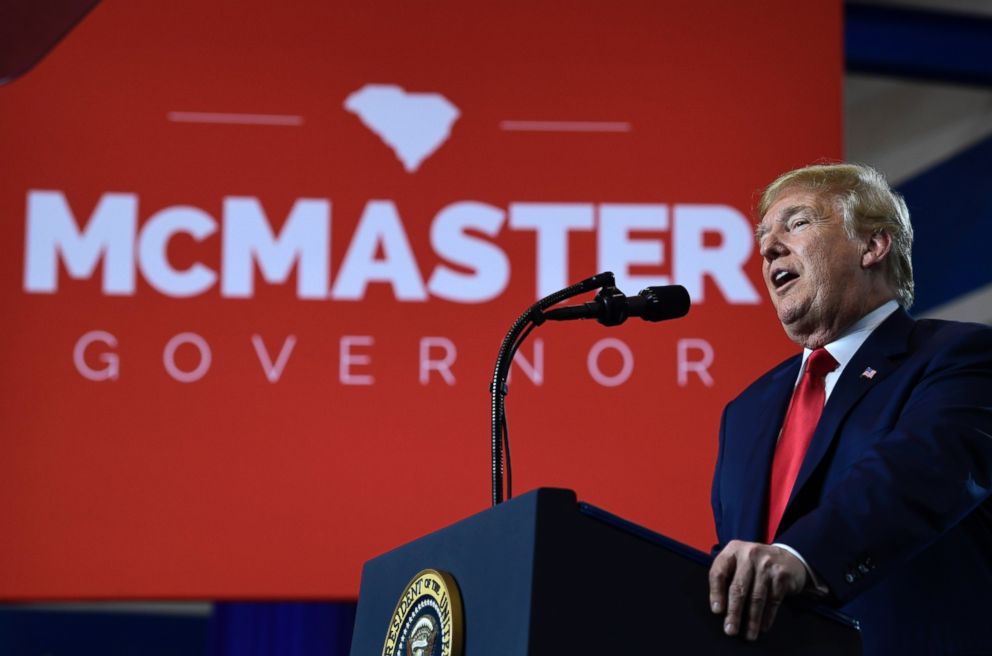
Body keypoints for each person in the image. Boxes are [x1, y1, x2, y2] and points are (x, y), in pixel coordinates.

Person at [707, 162, 992, 654]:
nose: (768, 247)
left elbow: (922, 471)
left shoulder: (959, 356)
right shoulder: (746, 411)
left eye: (796, 223)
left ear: (873, 246)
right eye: (762, 238)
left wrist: (801, 555)